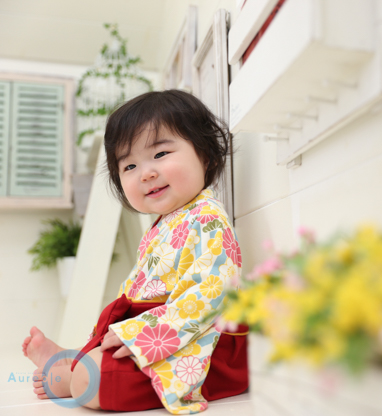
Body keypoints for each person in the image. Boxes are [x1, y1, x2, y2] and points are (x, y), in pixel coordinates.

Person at [22, 90, 248, 414]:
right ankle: (73, 361)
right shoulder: (165, 224)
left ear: (205, 156)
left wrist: (141, 333)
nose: (146, 173)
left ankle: (72, 370)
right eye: (129, 165)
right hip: (156, 331)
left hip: (200, 339)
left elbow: (212, 294)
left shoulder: (208, 219)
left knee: (93, 380)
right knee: (96, 360)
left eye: (159, 154)